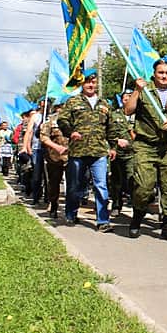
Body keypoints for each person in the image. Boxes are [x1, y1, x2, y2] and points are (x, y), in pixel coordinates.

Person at [124, 58, 167, 241]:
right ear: (154, 74)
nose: (164, 76)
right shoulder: (145, 90)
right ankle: (137, 219)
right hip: (145, 145)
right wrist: (137, 90)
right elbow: (128, 110)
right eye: (160, 72)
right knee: (144, 187)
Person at [57, 68, 121, 232]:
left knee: (101, 186)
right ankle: (71, 213)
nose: (90, 85)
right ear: (82, 84)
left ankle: (102, 221)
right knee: (75, 186)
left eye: (93, 82)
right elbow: (62, 120)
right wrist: (71, 132)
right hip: (78, 151)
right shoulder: (73, 102)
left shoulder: (105, 104)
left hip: (99, 152)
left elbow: (111, 127)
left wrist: (112, 146)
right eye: (87, 82)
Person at [40, 96, 70, 219]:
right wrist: (56, 147)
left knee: (74, 184)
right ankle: (53, 205)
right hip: (54, 158)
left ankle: (71, 211)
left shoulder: (75, 120)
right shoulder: (51, 121)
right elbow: (44, 137)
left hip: (72, 157)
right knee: (54, 183)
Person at [109, 89, 135, 215]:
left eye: (130, 96)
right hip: (117, 153)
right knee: (116, 181)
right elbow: (107, 131)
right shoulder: (114, 115)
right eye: (125, 96)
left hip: (134, 153)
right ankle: (116, 205)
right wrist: (117, 140)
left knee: (133, 179)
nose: (128, 98)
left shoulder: (138, 114)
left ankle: (136, 204)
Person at [23, 98, 46, 206]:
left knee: (49, 176)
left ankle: (48, 198)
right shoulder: (36, 116)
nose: (44, 106)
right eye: (42, 105)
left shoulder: (52, 116)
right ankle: (36, 197)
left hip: (50, 149)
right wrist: (26, 146)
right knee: (37, 174)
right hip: (37, 148)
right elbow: (29, 131)